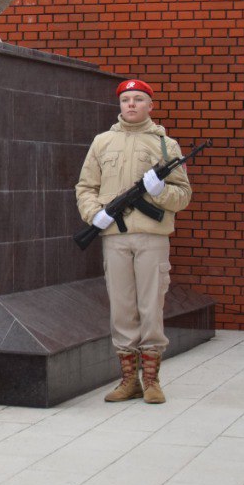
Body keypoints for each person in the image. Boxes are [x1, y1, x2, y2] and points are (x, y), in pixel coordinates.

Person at [75, 79, 192, 404]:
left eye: (138, 99)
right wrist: (93, 214)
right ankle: (129, 380)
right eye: (126, 99)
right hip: (115, 237)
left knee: (151, 307)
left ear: (150, 106)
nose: (131, 104)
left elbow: (183, 196)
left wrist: (160, 192)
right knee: (122, 309)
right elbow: (85, 186)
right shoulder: (102, 142)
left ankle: (152, 380)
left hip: (152, 238)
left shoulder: (166, 146)